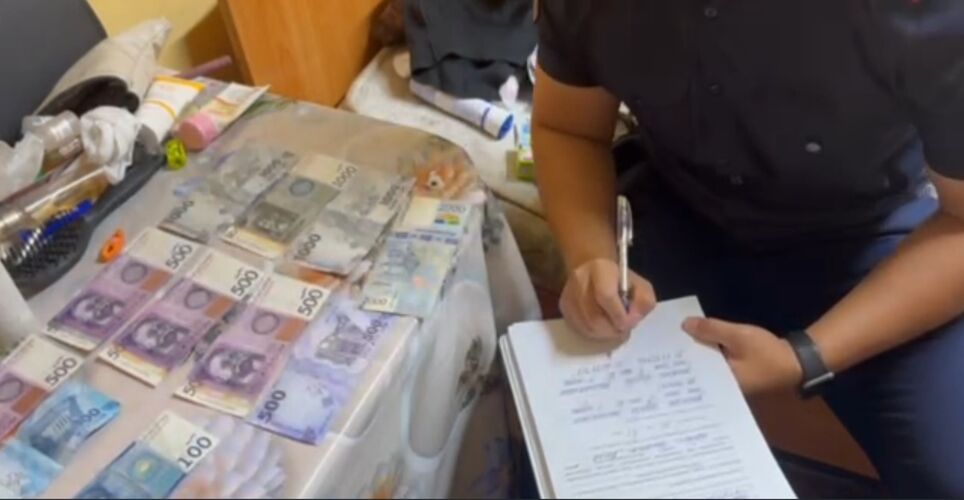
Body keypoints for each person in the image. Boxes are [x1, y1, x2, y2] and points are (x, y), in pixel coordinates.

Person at [532, 1, 964, 496]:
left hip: (868, 244)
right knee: (588, 451)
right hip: (683, 220)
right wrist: (592, 255)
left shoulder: (922, 14)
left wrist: (806, 356)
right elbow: (567, 128)